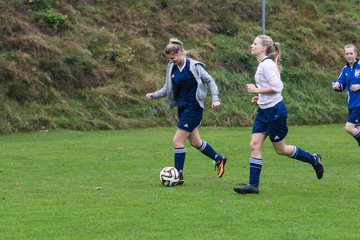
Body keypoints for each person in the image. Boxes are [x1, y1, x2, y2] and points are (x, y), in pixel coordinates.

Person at [233, 35, 324, 194]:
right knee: (254, 145)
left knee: (281, 149)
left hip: (275, 112)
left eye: (255, 44)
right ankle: (253, 186)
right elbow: (269, 88)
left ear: (263, 48)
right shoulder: (262, 64)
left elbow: (277, 87)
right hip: (263, 112)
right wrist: (259, 97)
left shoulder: (267, 65)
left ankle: (313, 159)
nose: (251, 45)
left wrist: (256, 90)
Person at [146, 38, 227, 185]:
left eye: (173, 58)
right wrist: (154, 94)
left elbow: (210, 81)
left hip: (194, 107)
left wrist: (215, 98)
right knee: (196, 142)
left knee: (177, 141)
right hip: (182, 108)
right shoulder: (171, 67)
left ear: (180, 53)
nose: (171, 61)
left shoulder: (194, 66)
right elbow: (167, 88)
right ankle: (218, 159)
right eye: (169, 59)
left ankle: (178, 176)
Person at [332, 44, 360, 146]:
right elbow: (341, 83)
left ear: (356, 54)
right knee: (357, 130)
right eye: (347, 54)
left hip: (359, 104)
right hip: (352, 104)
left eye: (351, 53)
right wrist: (336, 85)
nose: (349, 56)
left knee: (349, 127)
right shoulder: (345, 69)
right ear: (344, 55)